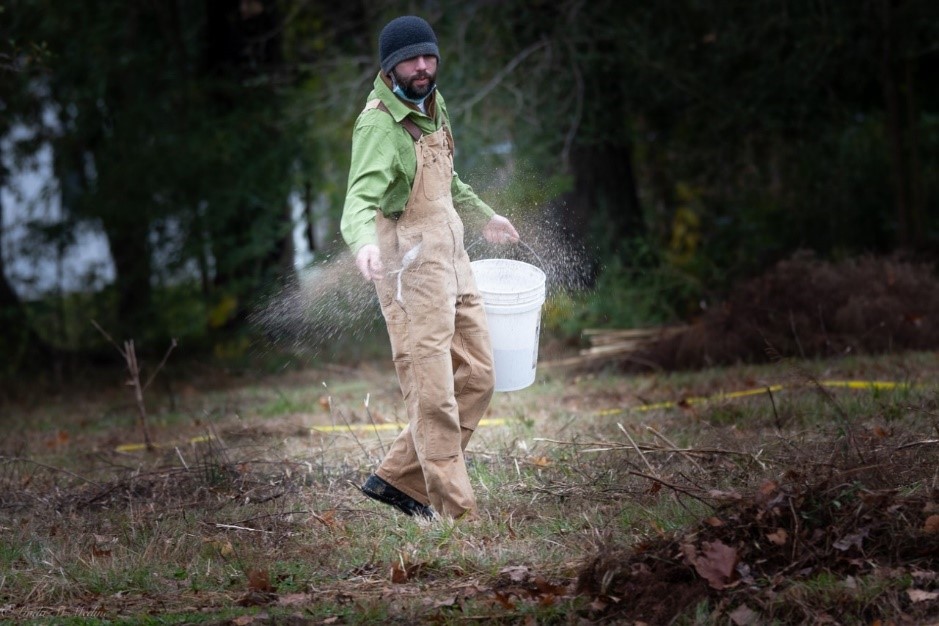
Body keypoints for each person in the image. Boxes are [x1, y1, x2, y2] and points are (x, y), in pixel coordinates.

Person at [340, 15, 520, 521]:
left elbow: (449, 180)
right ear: (390, 67)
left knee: (481, 376)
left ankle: (400, 479)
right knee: (434, 394)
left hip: (453, 260)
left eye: (428, 56)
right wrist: (361, 246)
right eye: (410, 60)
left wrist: (485, 217)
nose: (422, 67)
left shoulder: (431, 103)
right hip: (410, 269)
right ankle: (456, 514)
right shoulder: (379, 124)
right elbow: (358, 199)